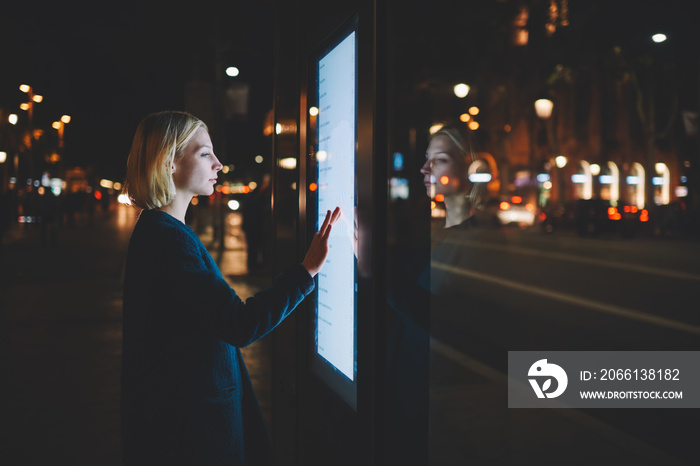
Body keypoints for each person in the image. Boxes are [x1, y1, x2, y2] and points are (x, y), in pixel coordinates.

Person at [120, 111, 340, 465]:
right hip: (194, 430)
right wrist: (307, 271)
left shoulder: (160, 231)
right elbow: (240, 324)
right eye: (205, 153)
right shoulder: (169, 241)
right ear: (169, 163)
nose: (219, 164)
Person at [420, 124, 482, 229]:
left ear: (467, 166)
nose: (424, 169)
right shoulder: (436, 231)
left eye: (440, 160)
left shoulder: (480, 236)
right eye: (427, 158)